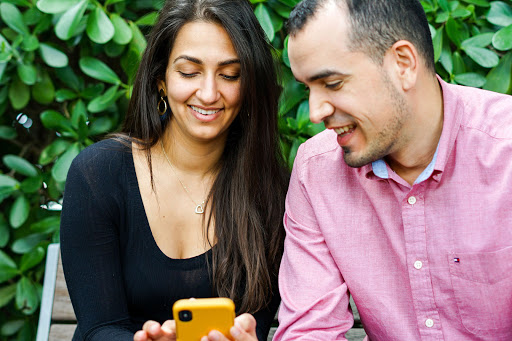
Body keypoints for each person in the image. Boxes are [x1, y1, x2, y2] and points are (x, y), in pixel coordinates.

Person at [274, 0, 512, 340]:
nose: (314, 113)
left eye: (333, 83)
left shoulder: (505, 148)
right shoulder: (317, 170)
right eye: (308, 87)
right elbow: (312, 331)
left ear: (403, 64)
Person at [59, 0, 289, 340]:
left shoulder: (272, 193)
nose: (209, 93)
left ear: (250, 86)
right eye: (189, 72)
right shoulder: (99, 174)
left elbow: (254, 325)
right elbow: (100, 327)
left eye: (230, 75)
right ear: (160, 80)